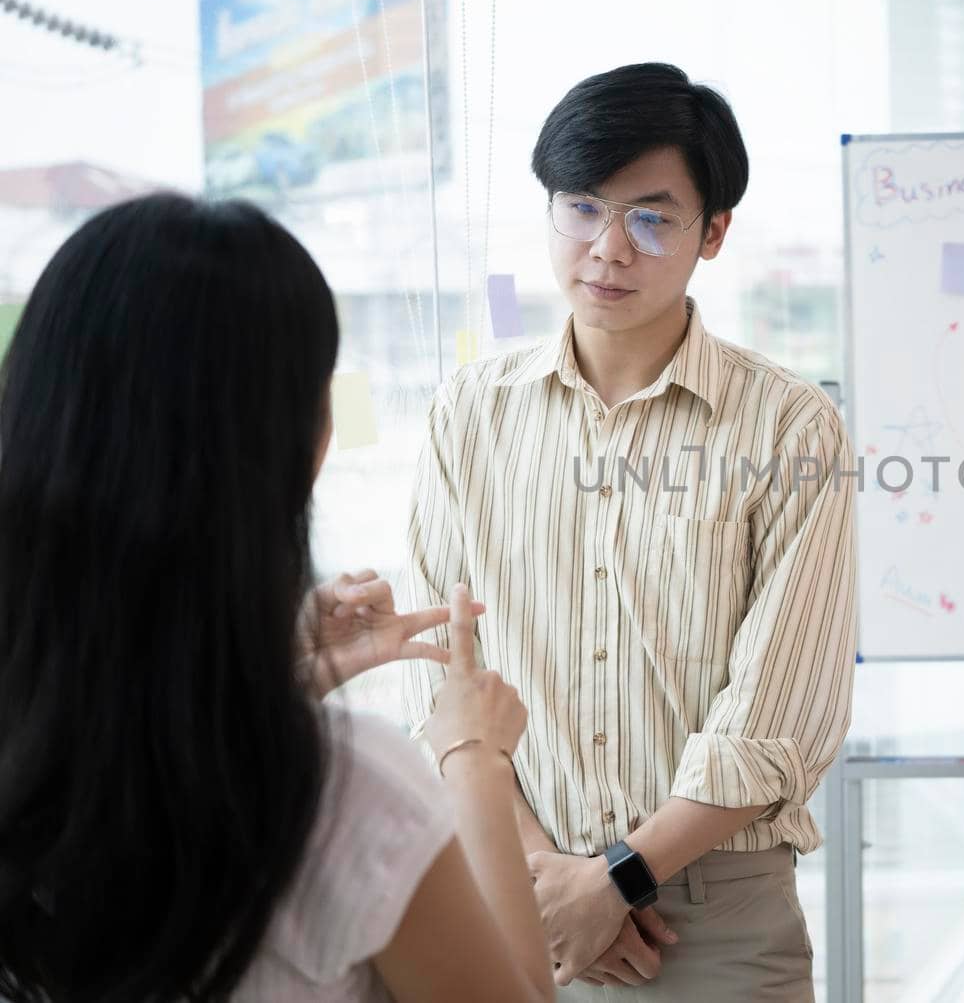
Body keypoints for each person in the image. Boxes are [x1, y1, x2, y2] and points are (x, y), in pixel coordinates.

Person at [0, 193, 555, 1002]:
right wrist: (477, 759)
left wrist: (260, 675)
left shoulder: (39, 748)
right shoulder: (348, 796)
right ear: (305, 444)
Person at [401, 63, 859, 999]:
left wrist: (615, 879)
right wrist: (552, 881)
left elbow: (778, 714)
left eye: (650, 218)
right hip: (514, 898)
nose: (608, 248)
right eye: (582, 208)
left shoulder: (787, 426)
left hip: (719, 929)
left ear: (714, 232)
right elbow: (438, 667)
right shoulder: (470, 414)